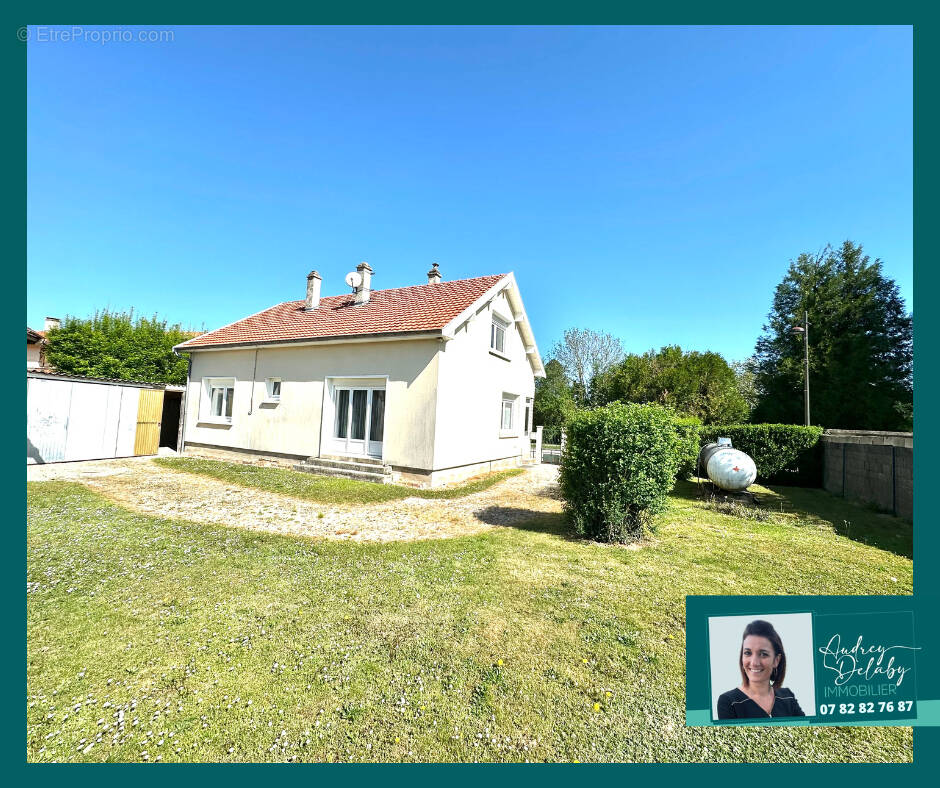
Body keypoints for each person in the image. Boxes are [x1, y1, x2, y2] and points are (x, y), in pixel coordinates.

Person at [717, 619, 805, 719]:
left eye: (763, 654)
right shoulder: (729, 702)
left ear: (776, 660)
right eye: (748, 653)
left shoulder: (788, 696)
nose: (754, 663)